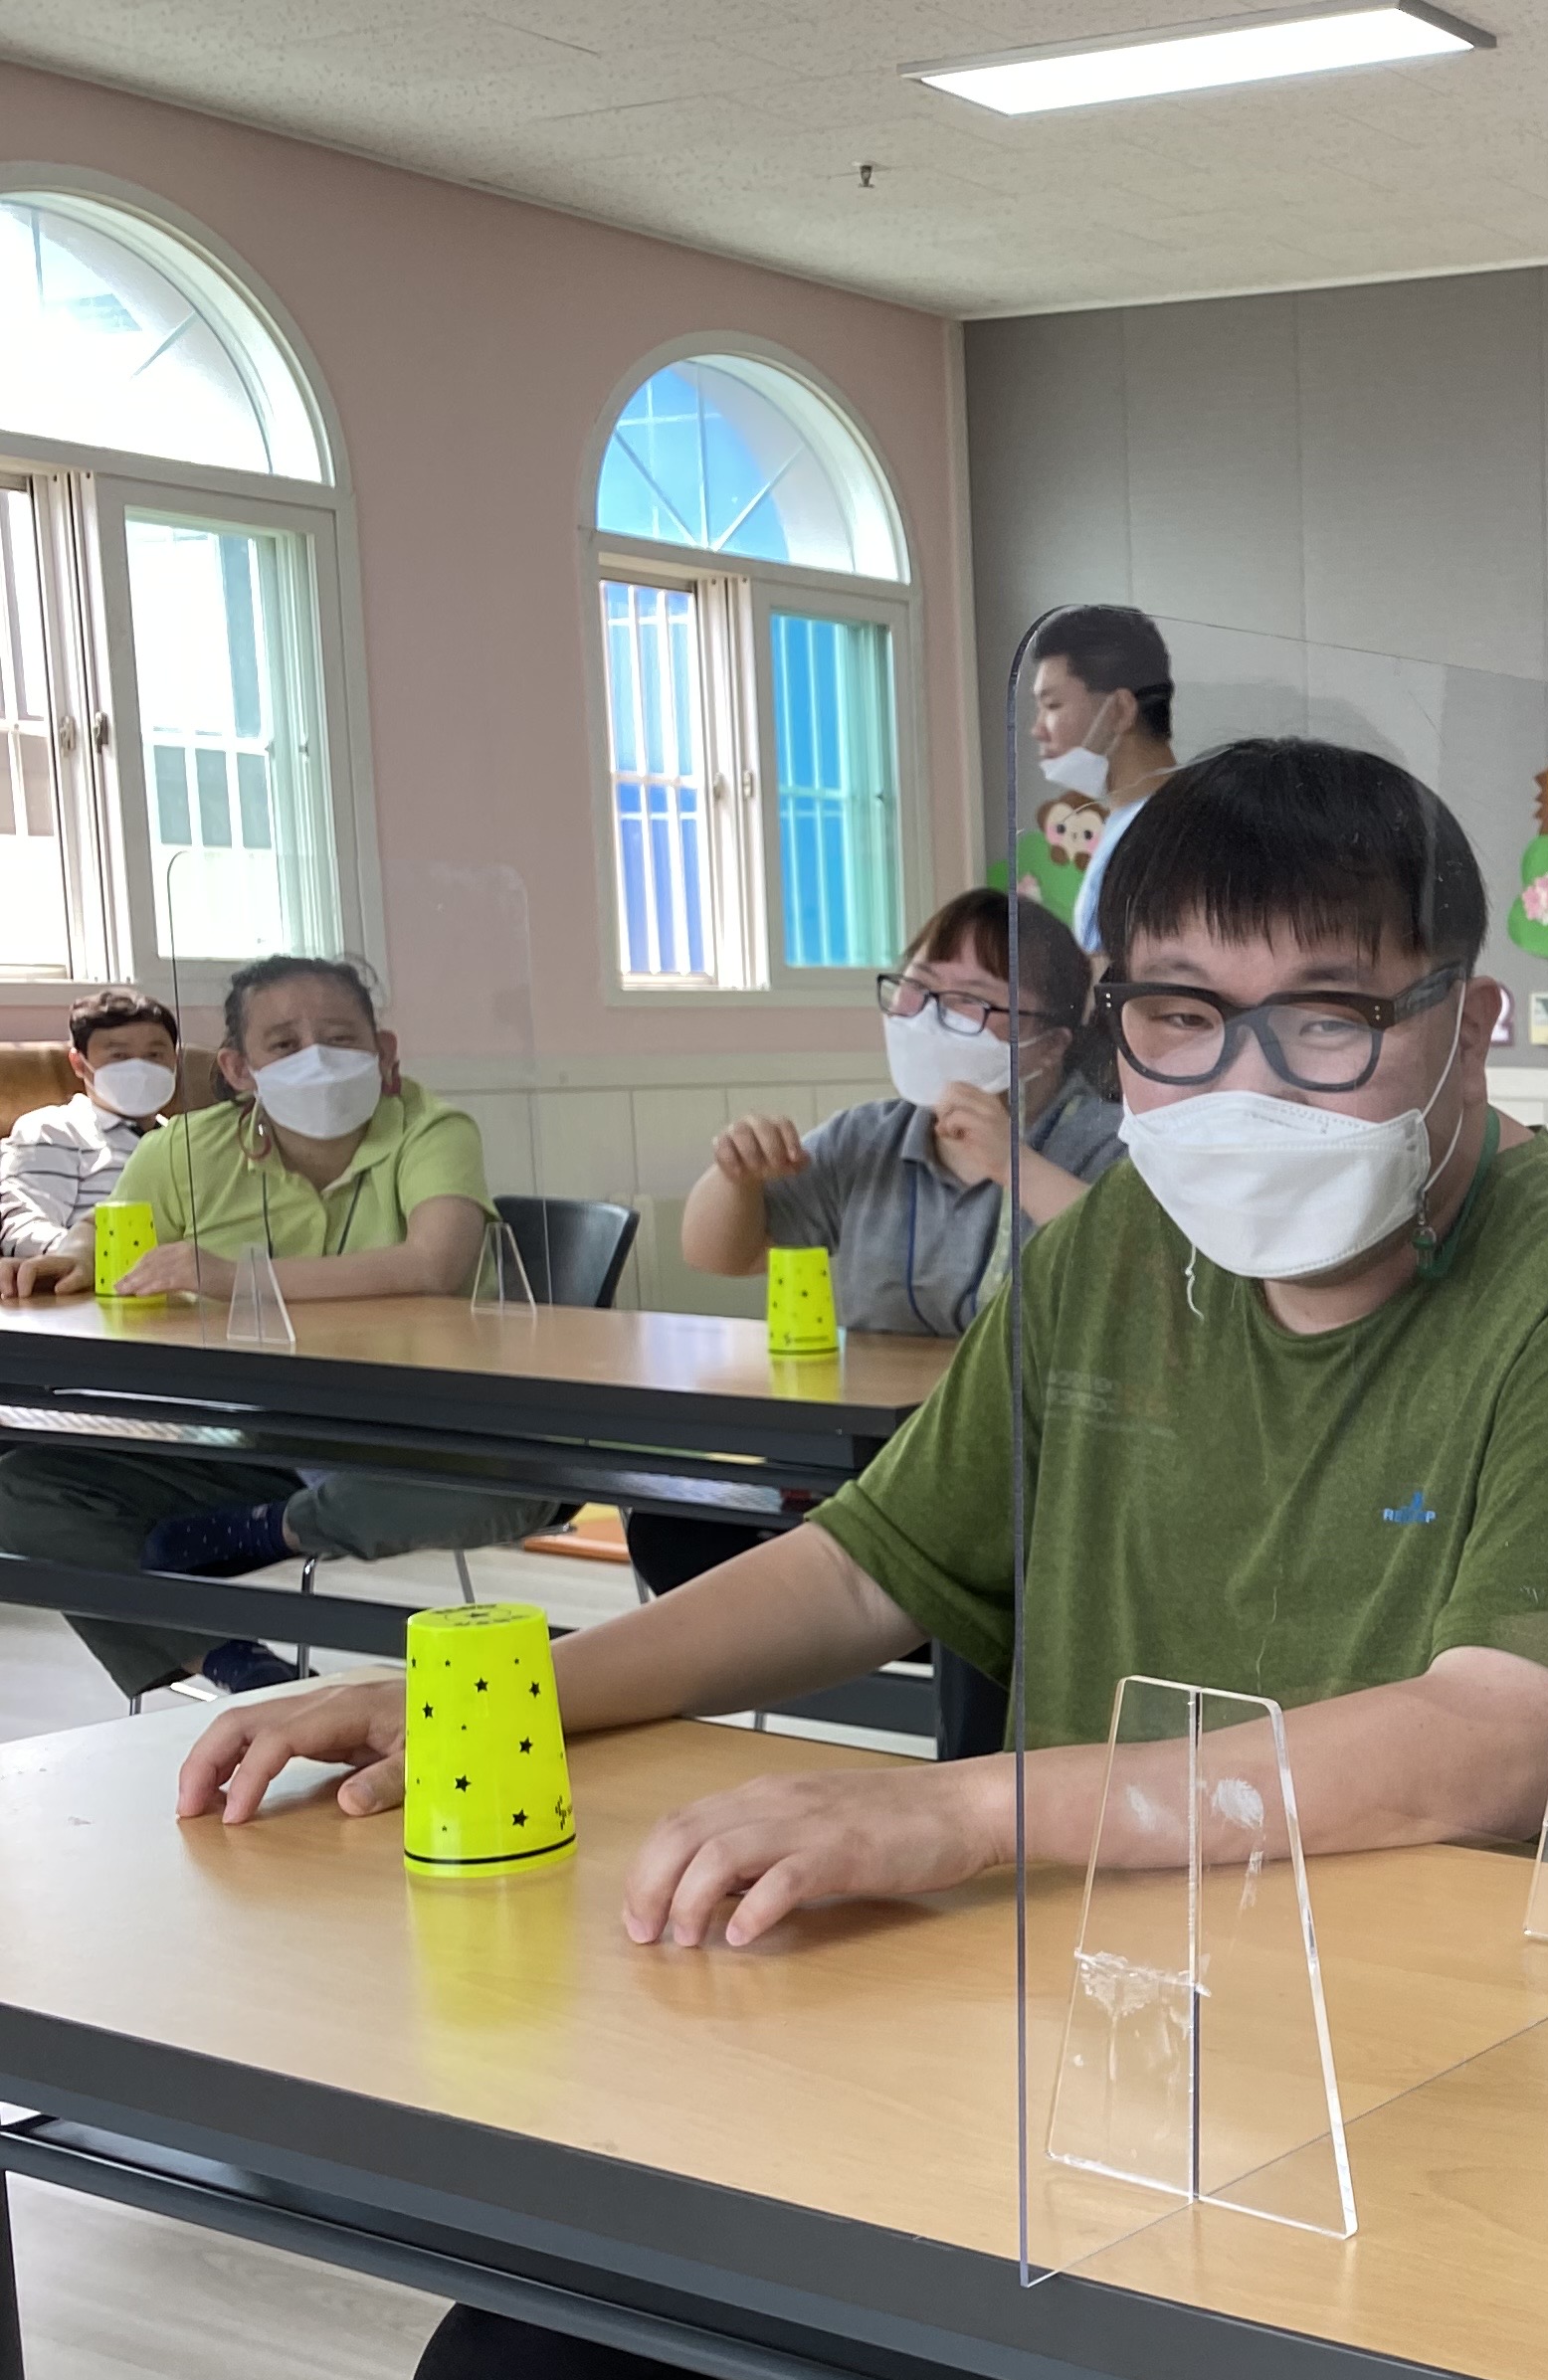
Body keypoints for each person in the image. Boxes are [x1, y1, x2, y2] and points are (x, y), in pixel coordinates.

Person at [176, 735, 1548, 2380]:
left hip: (1396, 2136)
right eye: (1181, 1020)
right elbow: (872, 1566)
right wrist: (487, 1691)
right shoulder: (1117, 1273)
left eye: (1330, 1019)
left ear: (1470, 1023)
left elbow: (1509, 1736)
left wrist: (948, 1815)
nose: (1245, 1085)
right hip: (1049, 2081)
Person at [0, 955, 563, 1699]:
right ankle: (239, 1667)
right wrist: (68, 1259)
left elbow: (435, 1263)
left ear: (384, 1052)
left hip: (416, 1431)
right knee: (23, 1489)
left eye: (341, 1038)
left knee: (523, 1491)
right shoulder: (182, 1149)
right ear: (238, 1069)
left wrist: (235, 1279)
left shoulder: (429, 1128)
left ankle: (277, 1528)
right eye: (285, 1044)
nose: (317, 1058)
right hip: (254, 1436)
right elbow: (110, 1232)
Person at [631, 885, 1121, 1618]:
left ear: (1049, 1042)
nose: (928, 1017)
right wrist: (735, 1174)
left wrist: (1012, 1163)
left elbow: (1130, 1265)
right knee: (675, 1528)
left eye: (970, 1001)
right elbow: (718, 1253)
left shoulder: (1106, 1141)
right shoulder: (871, 1136)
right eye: (917, 989)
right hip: (867, 1458)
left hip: (1024, 1472)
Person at [1026, 601, 1178, 960]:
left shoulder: (1169, 838)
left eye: (1053, 706)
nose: (1037, 730)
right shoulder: (1125, 824)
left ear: (1120, 710)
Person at [0, 986, 182, 1258]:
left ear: (175, 1059)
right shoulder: (53, 1130)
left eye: (154, 1055)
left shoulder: (190, 1140)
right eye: (119, 1056)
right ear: (79, 1063)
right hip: (103, 1277)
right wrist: (95, 1258)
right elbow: (22, 1229)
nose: (140, 1069)